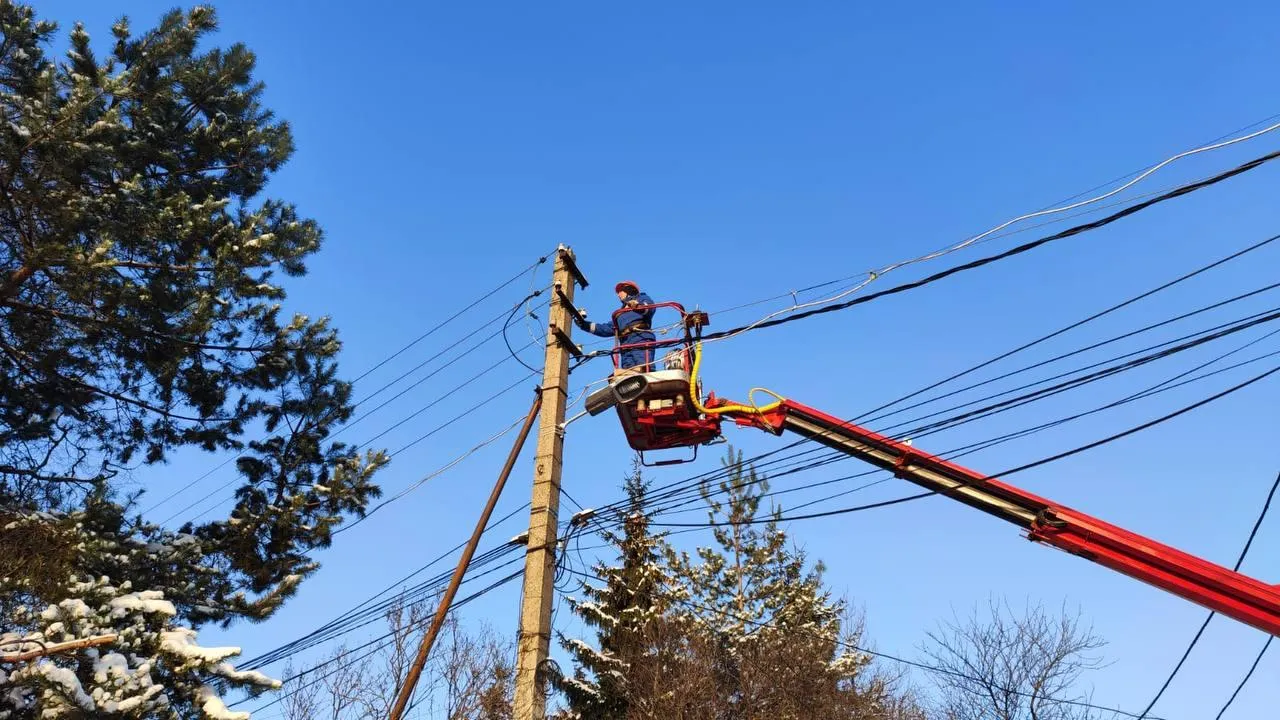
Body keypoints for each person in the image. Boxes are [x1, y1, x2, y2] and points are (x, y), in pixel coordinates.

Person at [574, 280, 657, 372]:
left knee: (644, 367)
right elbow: (606, 329)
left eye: (620, 291)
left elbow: (650, 308)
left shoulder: (641, 298)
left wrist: (638, 306)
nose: (618, 295)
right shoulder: (619, 314)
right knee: (629, 373)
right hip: (625, 344)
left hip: (640, 337)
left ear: (628, 290)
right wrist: (584, 325)